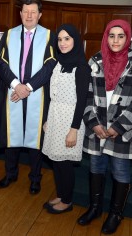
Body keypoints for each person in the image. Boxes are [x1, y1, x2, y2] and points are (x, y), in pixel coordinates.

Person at [77, 19, 132, 234]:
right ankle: (94, 208)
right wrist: (93, 124)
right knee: (96, 167)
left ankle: (115, 213)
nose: (116, 40)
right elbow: (87, 97)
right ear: (106, 37)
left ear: (128, 38)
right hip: (97, 127)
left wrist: (117, 128)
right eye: (112, 36)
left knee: (120, 171)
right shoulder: (95, 61)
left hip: (122, 130)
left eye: (121, 36)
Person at [0, 0, 57, 195]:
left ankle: (35, 178)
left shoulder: (49, 36)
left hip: (36, 94)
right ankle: (10, 173)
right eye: (25, 12)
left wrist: (28, 87)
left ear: (40, 15)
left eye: (33, 12)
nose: (29, 15)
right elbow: (1, 63)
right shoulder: (9, 34)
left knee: (35, 137)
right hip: (13, 92)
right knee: (12, 135)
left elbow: (50, 66)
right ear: (20, 14)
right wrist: (16, 85)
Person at [42, 24, 91, 214]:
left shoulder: (82, 67)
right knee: (56, 161)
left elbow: (81, 103)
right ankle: (61, 195)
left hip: (71, 119)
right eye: (60, 39)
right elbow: (50, 94)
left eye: (67, 39)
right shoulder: (57, 63)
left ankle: (68, 201)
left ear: (75, 41)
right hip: (55, 116)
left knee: (65, 163)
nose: (62, 43)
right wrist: (47, 118)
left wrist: (74, 129)